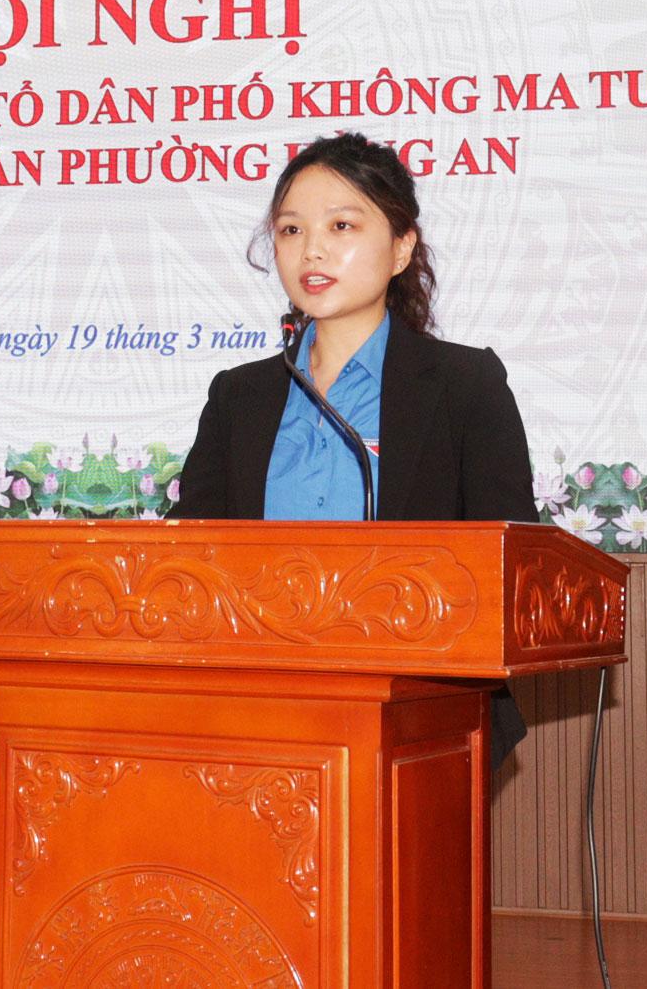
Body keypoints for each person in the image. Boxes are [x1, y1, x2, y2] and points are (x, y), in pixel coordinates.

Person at [173, 130, 536, 763]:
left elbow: (509, 565)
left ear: (401, 248)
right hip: (252, 720)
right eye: (291, 230)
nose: (311, 249)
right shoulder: (239, 396)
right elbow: (184, 561)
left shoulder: (464, 385)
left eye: (341, 225)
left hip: (419, 726)